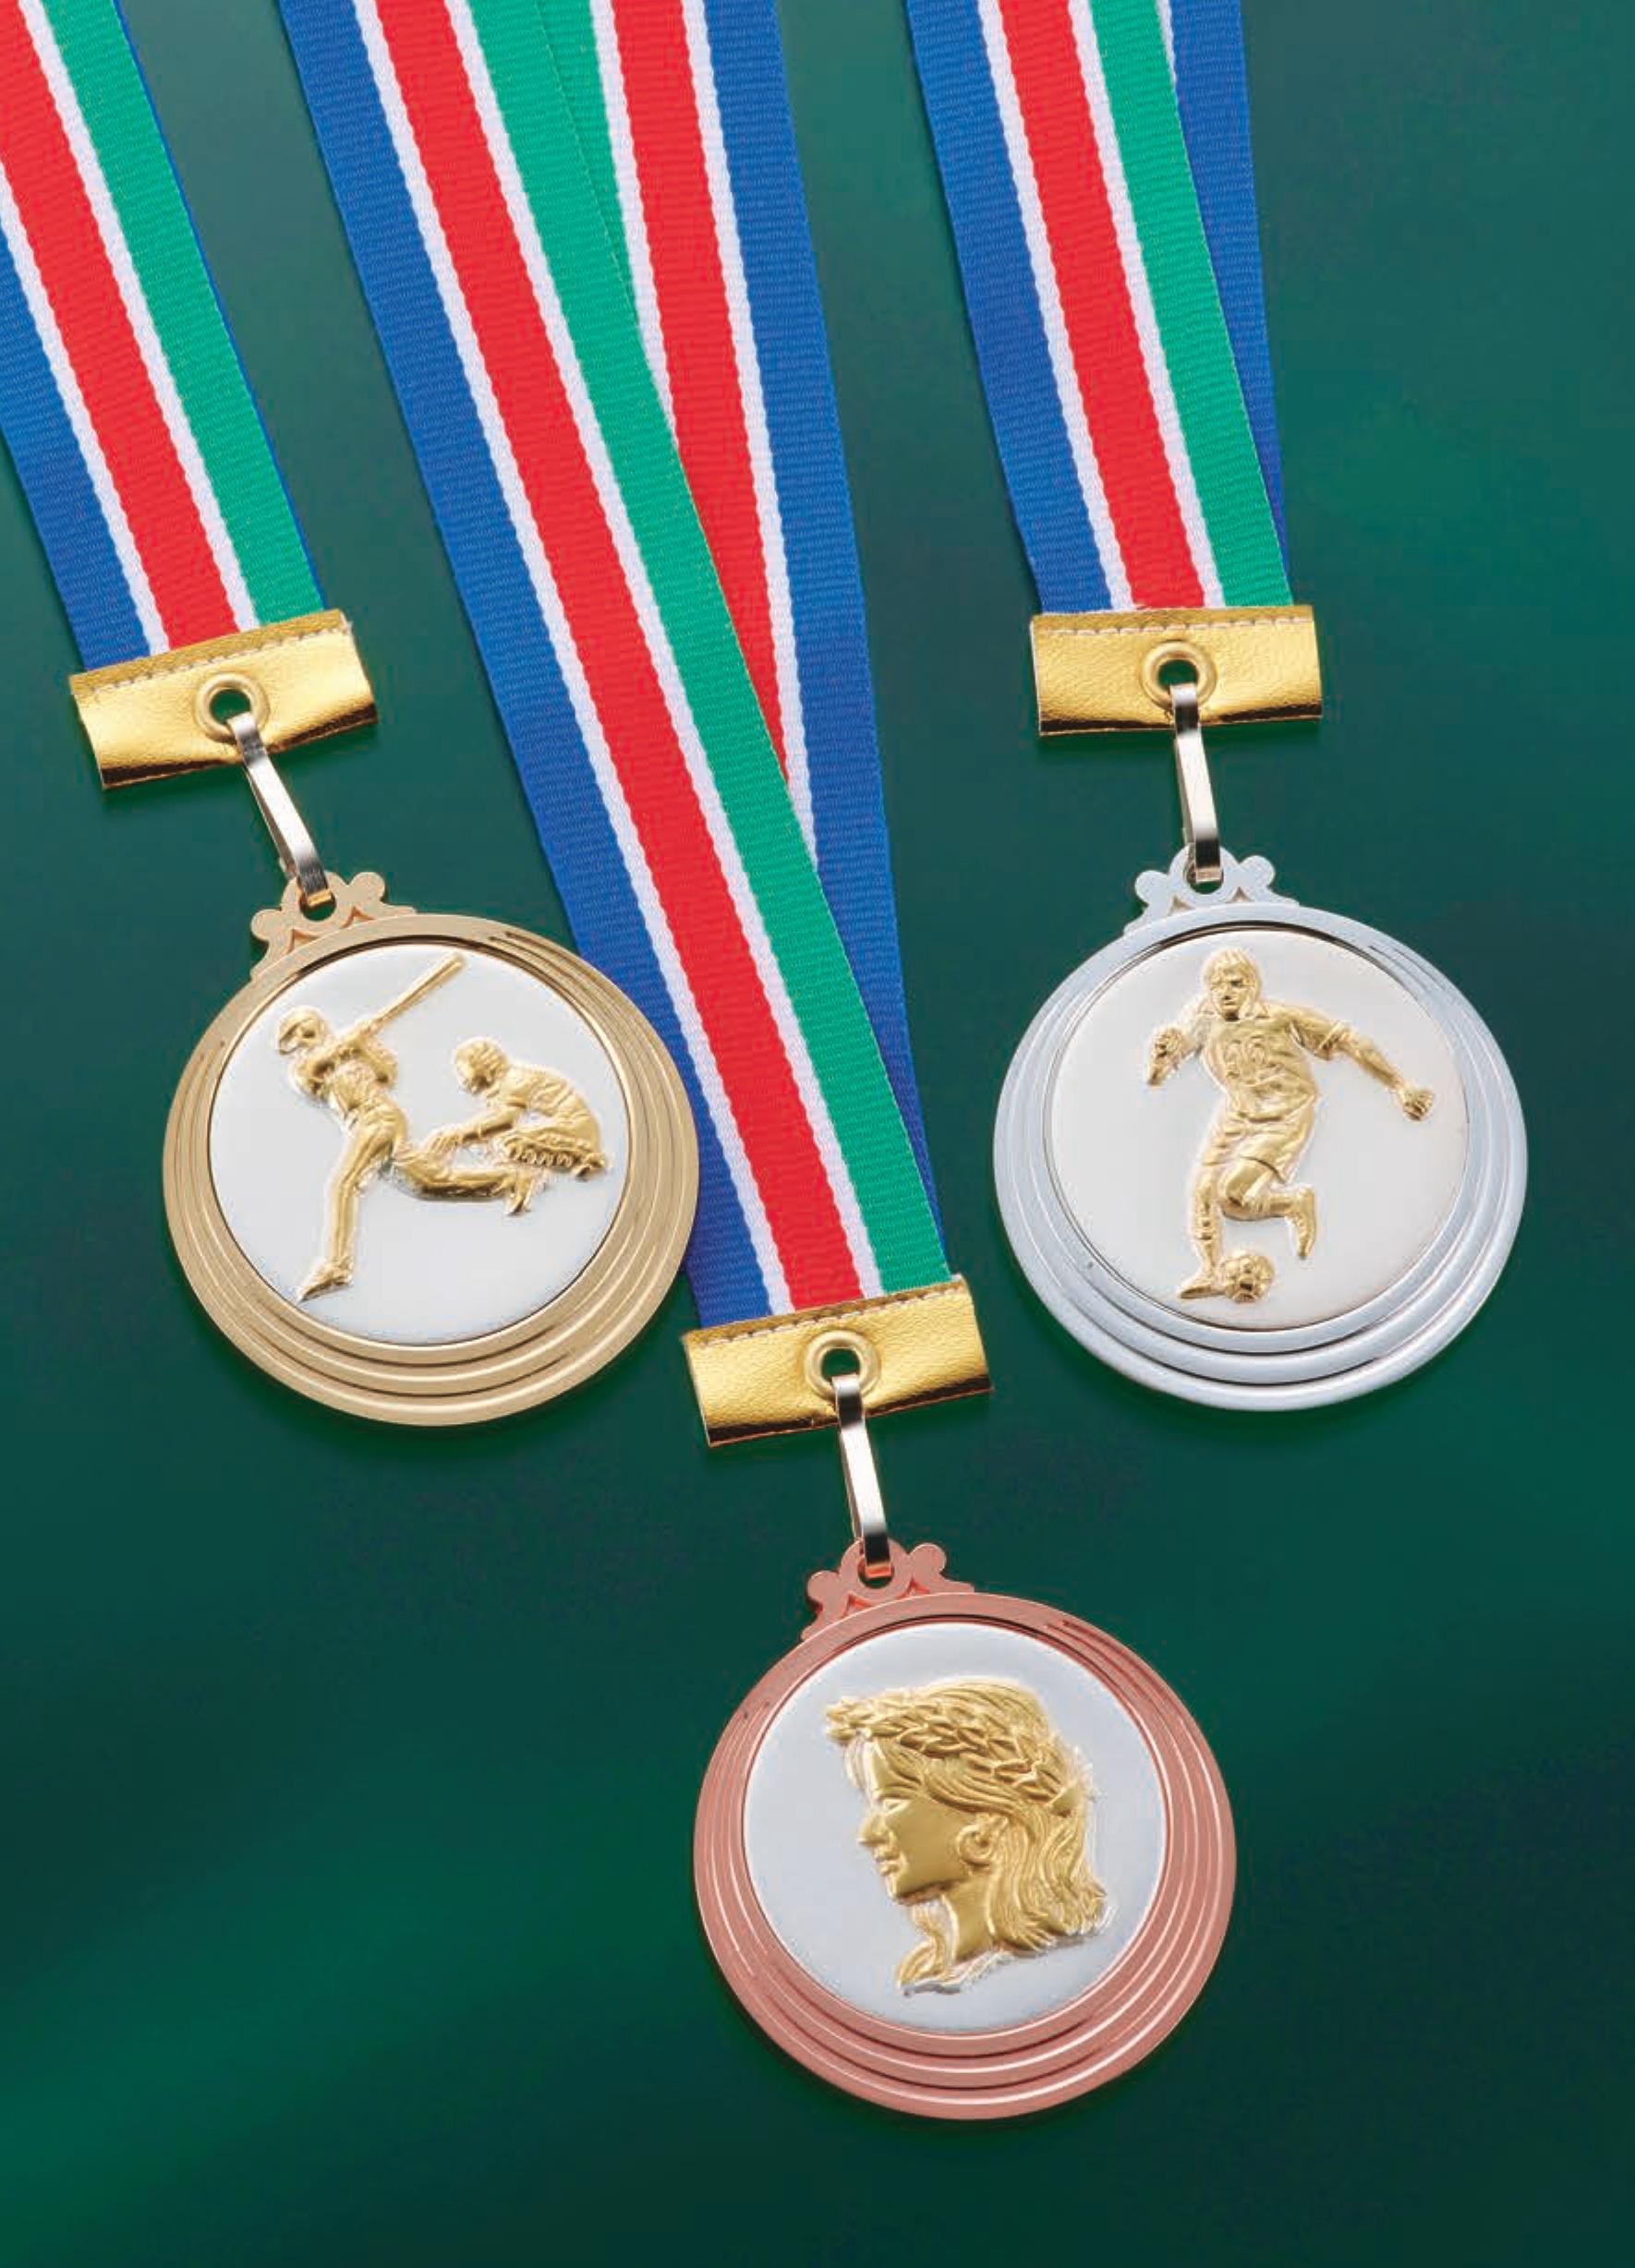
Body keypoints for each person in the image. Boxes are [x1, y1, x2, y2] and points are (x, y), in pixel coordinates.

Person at [1146, 946, 1434, 1304]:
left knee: (1232, 1194)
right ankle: (1209, 1270)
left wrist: (1400, 1085)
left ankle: (1293, 1202)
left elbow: (1349, 1040)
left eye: (1235, 983)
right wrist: (1159, 1059)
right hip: (1237, 1112)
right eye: (1216, 985)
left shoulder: (1281, 1016)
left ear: (1253, 985)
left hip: (1285, 1113)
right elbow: (1161, 1072)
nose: (1225, 992)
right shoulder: (1202, 1018)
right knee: (1203, 1190)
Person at [827, 1679, 1106, 1992]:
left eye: (891, 1803)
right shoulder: (932, 1972)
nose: (867, 1834)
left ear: (987, 1825)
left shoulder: (1050, 1984)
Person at [276, 1006, 414, 1301]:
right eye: (296, 1034)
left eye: (306, 1026)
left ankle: (336, 1266)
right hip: (361, 1125)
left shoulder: (354, 1047)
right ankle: (508, 1179)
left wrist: (364, 1044)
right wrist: (350, 1039)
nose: (303, 1035)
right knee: (428, 1182)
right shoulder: (302, 1067)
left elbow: (387, 1074)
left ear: (320, 1023)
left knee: (342, 1185)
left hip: (380, 1118)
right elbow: (314, 1069)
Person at [405, 1040, 608, 1215]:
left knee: (509, 1142)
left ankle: (582, 1156)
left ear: (483, 1063)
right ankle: (520, 1174)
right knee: (491, 1144)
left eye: (463, 1069)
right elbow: (495, 1119)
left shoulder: (515, 1079)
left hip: (574, 1128)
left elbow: (505, 1120)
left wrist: (459, 1133)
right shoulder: (503, 1086)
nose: (462, 1079)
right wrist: (460, 1134)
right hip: (562, 1127)